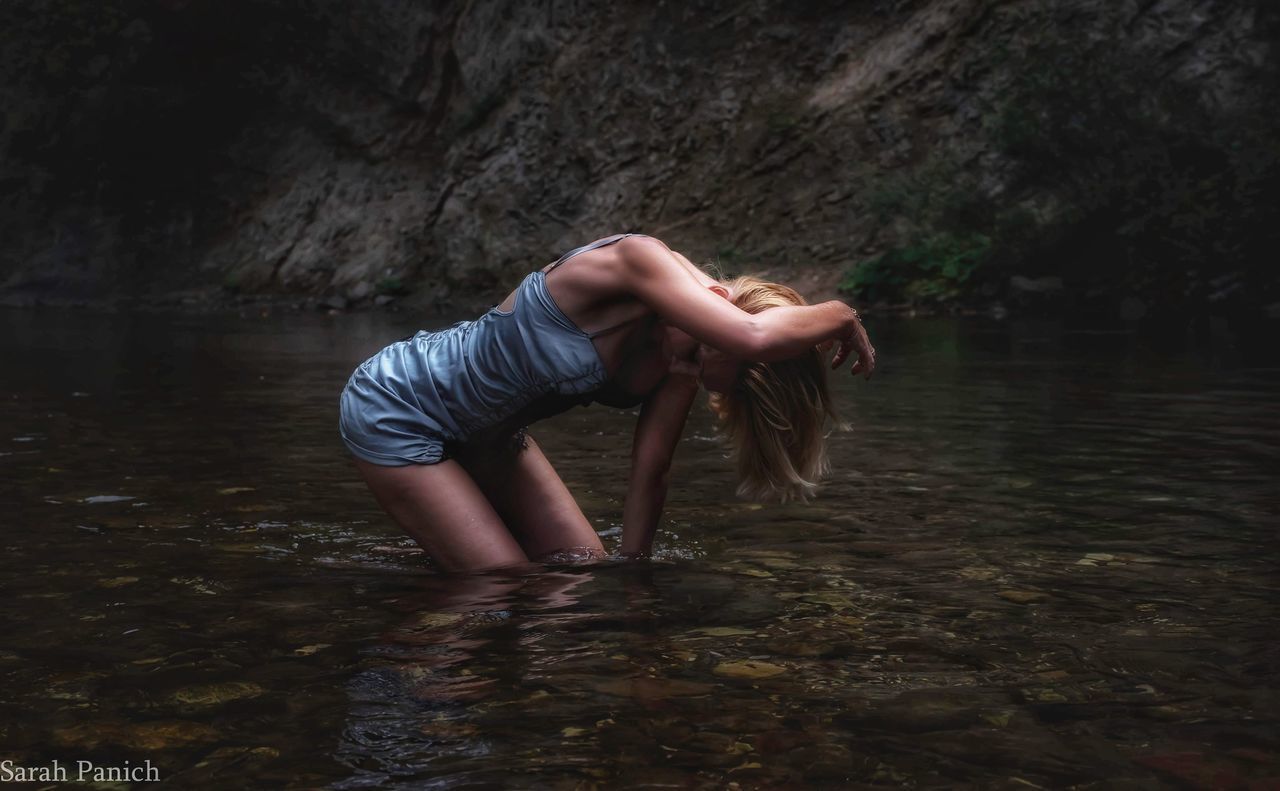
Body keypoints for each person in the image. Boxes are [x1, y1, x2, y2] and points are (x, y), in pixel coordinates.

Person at [339, 233, 875, 572]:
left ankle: (440, 552)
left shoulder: (683, 360)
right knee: (503, 587)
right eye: (738, 381)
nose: (726, 394)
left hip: (489, 435)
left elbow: (652, 470)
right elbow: (754, 338)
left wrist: (631, 582)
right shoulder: (634, 261)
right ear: (733, 334)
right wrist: (841, 314)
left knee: (578, 568)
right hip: (401, 405)